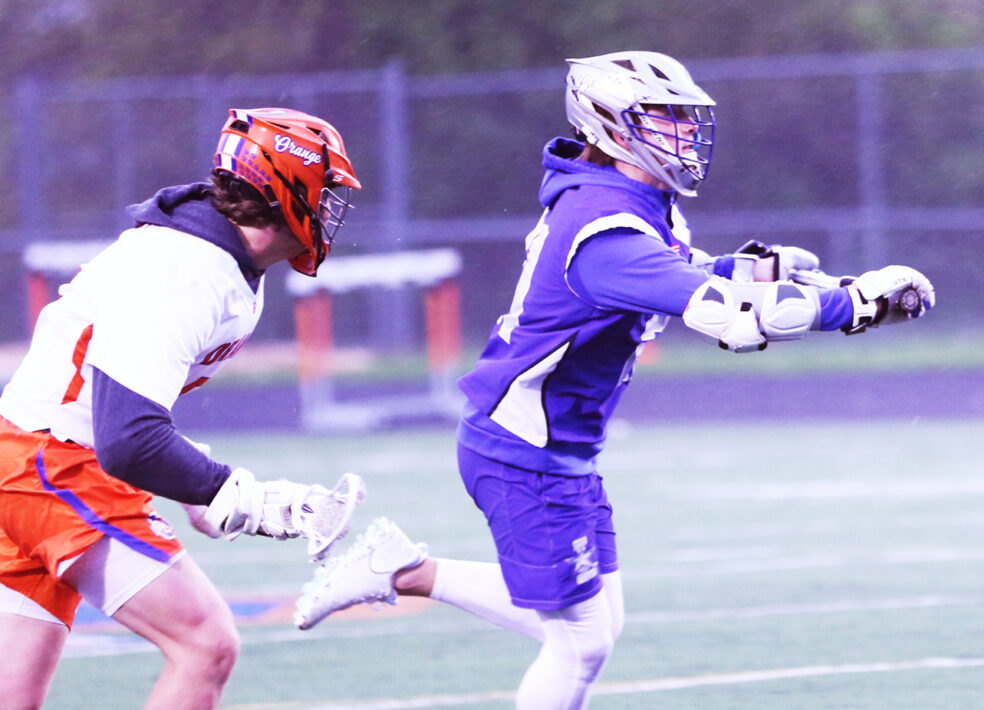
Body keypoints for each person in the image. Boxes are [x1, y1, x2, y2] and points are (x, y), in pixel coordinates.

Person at [293, 51, 936, 709]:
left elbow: (694, 273)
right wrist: (856, 303)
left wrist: (783, 274)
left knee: (594, 625)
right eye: (665, 119)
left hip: (553, 447)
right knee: (579, 642)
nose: (685, 135)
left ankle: (400, 569)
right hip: (523, 451)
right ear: (609, 124)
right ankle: (398, 569)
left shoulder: (631, 201)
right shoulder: (604, 229)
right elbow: (739, 320)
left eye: (686, 120)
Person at [0, 107, 367, 710]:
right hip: (54, 467)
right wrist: (241, 495)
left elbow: (120, 406)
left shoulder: (213, 259)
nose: (331, 210)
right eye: (324, 191)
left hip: (37, 460)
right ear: (284, 186)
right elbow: (128, 438)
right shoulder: (190, 268)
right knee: (205, 645)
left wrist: (194, 483)